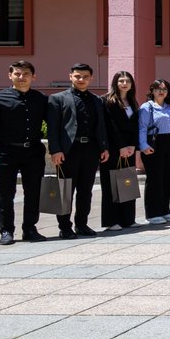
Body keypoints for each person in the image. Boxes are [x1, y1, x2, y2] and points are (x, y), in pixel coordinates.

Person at [0, 60, 48, 244]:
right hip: (6, 152)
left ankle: (30, 229)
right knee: (5, 193)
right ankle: (6, 231)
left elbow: (54, 125)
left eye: (25, 74)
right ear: (10, 76)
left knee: (33, 192)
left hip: (33, 152)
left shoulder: (41, 99)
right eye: (17, 74)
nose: (21, 77)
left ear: (34, 76)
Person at [46, 63, 110, 239]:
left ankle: (82, 224)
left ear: (91, 78)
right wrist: (55, 150)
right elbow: (53, 128)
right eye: (77, 76)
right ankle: (65, 227)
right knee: (65, 190)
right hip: (68, 151)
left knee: (85, 190)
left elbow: (101, 126)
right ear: (70, 77)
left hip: (91, 149)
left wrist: (104, 147)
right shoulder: (57, 99)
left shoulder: (97, 100)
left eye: (85, 77)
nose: (81, 80)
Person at [138, 79, 170, 225]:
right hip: (154, 144)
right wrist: (143, 145)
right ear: (152, 91)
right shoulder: (146, 107)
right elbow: (142, 127)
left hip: (169, 143)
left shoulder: (169, 108)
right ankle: (152, 213)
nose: (161, 91)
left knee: (167, 179)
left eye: (164, 89)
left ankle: (164, 210)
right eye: (158, 88)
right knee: (154, 179)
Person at [100, 71, 139, 230]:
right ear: (115, 83)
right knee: (111, 185)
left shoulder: (132, 102)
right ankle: (111, 221)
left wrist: (132, 145)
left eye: (127, 81)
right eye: (121, 80)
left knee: (127, 183)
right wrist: (121, 146)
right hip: (114, 149)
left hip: (129, 149)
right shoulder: (107, 101)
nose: (124, 83)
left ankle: (128, 219)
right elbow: (110, 126)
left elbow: (135, 126)